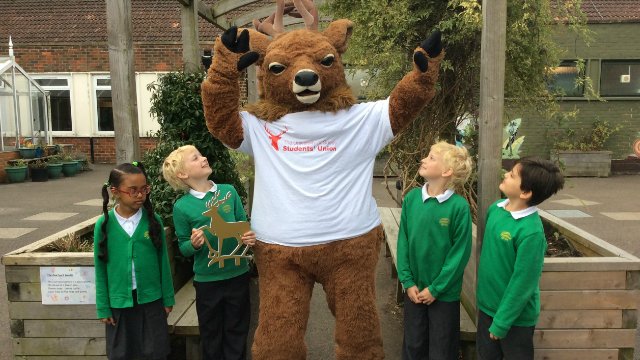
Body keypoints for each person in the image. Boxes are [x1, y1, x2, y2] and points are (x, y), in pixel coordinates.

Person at [162, 145, 256, 360]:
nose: (203, 158)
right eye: (195, 158)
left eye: (201, 154)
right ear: (183, 174)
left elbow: (244, 226)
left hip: (237, 276)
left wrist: (249, 238)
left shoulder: (228, 191)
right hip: (207, 283)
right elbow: (184, 248)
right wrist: (194, 244)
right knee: (211, 336)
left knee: (237, 332)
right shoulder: (182, 207)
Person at [476, 158, 564, 360]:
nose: (506, 174)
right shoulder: (496, 209)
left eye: (512, 175)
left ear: (525, 192)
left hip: (515, 319)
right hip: (488, 308)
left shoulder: (531, 232)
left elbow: (523, 283)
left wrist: (502, 322)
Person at [397, 141, 474, 360]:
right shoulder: (411, 199)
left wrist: (436, 288)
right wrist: (407, 281)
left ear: (447, 171)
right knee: (413, 345)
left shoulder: (458, 207)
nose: (424, 159)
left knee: (442, 350)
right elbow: (403, 241)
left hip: (444, 294)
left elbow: (459, 255)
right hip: (414, 291)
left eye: (431, 158)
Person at [94, 162, 175, 360]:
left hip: (151, 301)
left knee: (155, 351)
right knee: (121, 353)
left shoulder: (153, 220)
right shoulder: (103, 225)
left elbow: (163, 262)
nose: (140, 195)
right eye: (133, 190)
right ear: (115, 191)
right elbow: (100, 269)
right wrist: (103, 307)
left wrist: (168, 298)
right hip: (119, 305)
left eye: (144, 189)